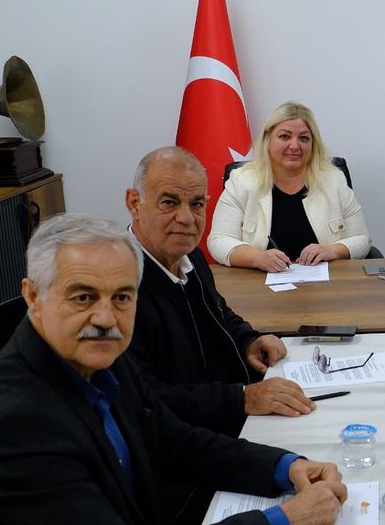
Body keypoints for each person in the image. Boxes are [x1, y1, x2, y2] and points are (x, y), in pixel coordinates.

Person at [0, 214, 347, 525]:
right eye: (82, 297)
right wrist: (283, 523)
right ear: (33, 296)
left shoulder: (99, 358)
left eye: (122, 297)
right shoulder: (16, 427)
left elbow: (174, 442)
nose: (105, 318)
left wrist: (285, 466)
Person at [125, 147, 314, 436]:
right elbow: (145, 399)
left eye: (197, 204)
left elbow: (219, 312)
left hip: (228, 416)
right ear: (134, 203)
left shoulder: (191, 256)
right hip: (184, 440)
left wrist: (249, 341)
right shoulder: (117, 287)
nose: (186, 218)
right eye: (169, 202)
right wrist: (242, 398)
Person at [208, 101, 372, 271]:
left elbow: (362, 239)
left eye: (304, 138)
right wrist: (257, 258)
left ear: (313, 144)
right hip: (258, 283)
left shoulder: (334, 180)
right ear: (267, 139)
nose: (294, 146)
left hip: (326, 282)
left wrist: (332, 250)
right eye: (285, 137)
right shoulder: (241, 181)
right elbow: (219, 240)